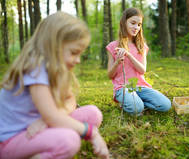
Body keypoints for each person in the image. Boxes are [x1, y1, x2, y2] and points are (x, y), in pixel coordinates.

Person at [0, 12, 109, 159]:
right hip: (11, 140)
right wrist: (91, 132)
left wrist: (46, 120)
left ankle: (44, 144)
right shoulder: (35, 69)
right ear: (53, 45)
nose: (77, 60)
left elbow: (70, 101)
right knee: (69, 140)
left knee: (93, 113)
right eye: (73, 53)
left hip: (36, 126)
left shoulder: (57, 69)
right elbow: (52, 116)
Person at [106, 8, 171, 115]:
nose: (136, 27)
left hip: (140, 87)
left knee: (165, 105)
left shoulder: (142, 46)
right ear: (124, 22)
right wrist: (117, 61)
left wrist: (129, 55)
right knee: (137, 108)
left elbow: (142, 70)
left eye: (139, 24)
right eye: (133, 23)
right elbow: (110, 75)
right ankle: (133, 103)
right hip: (123, 88)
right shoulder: (112, 46)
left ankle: (137, 103)